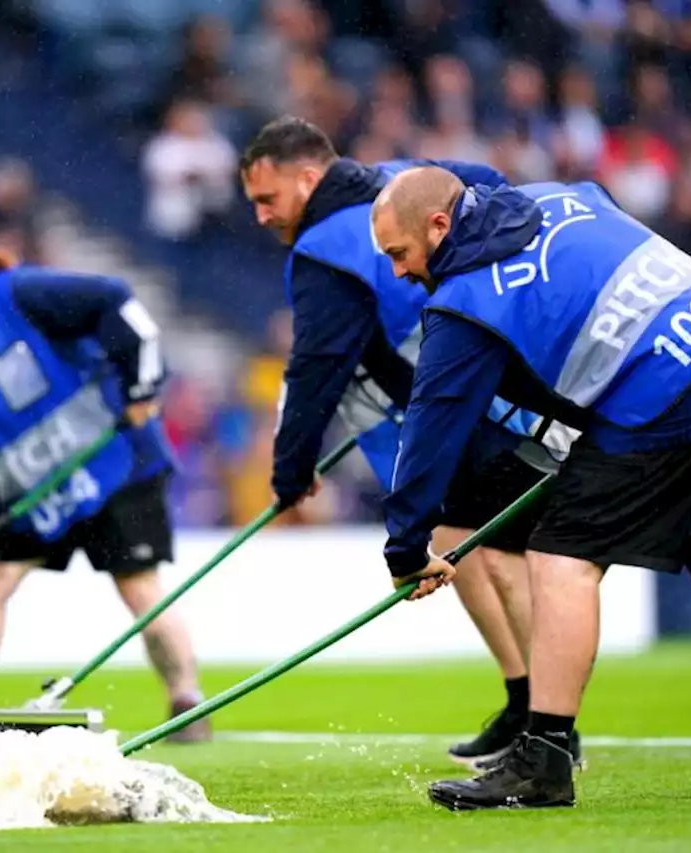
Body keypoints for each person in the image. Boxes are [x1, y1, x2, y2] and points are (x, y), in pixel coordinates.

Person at [369, 167, 691, 808]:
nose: (397, 272)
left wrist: (405, 551)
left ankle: (545, 761)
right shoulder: (560, 195)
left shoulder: (466, 302)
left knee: (561, 556)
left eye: (399, 254)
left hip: (665, 391)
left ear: (440, 226)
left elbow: (429, 431)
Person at [239, 116, 580, 768]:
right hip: (489, 393)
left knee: (499, 558)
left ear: (308, 179)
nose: (259, 215)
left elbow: (314, 371)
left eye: (266, 198)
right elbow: (492, 185)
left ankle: (549, 727)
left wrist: (290, 474)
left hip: (478, 412)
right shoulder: (402, 179)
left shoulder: (321, 252)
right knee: (458, 541)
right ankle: (524, 701)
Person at [0, 230, 211, 743]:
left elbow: (115, 302)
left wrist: (141, 386)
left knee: (139, 585)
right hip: (29, 492)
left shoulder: (21, 294)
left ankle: (187, 702)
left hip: (112, 465)